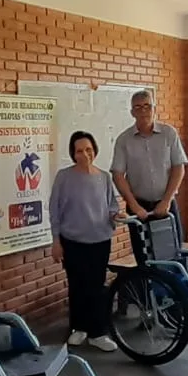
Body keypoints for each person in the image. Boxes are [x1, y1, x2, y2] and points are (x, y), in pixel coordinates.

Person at [49, 131, 123, 352]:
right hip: (72, 241)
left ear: (95, 150)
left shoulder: (104, 177)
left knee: (97, 287)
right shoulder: (64, 177)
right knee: (77, 286)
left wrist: (115, 215)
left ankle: (97, 333)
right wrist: (56, 241)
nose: (85, 155)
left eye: (89, 150)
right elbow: (54, 210)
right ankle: (78, 328)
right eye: (79, 151)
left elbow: (112, 205)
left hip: (100, 240)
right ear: (73, 153)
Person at [110, 89, 188, 263]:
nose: (143, 111)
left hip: (166, 204)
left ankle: (173, 281)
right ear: (132, 112)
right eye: (138, 107)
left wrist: (166, 201)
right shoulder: (124, 140)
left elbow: (178, 167)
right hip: (139, 208)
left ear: (154, 108)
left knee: (173, 255)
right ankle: (147, 281)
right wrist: (134, 205)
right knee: (144, 258)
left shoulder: (169, 134)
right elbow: (118, 174)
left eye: (147, 106)